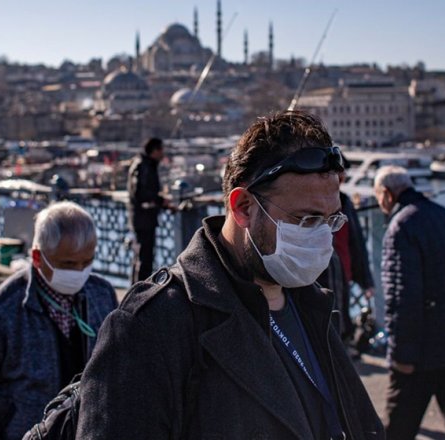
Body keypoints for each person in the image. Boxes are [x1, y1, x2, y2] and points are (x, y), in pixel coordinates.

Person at [77, 111, 384, 439]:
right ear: (243, 208)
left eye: (330, 220)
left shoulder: (312, 303)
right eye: (306, 220)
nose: (322, 237)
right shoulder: (151, 328)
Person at [0, 201, 118, 439]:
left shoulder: (101, 295)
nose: (79, 272)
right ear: (38, 257)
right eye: (68, 264)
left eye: (86, 263)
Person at [374, 166, 445, 440]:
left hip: (422, 351)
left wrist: (401, 354)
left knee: (398, 427)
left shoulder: (401, 226)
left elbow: (402, 296)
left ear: (387, 195)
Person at [331, 162, 376, 343]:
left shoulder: (344, 201)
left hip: (342, 273)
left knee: (340, 324)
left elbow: (355, 241)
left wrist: (366, 281)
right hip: (319, 275)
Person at [127, 137, 167, 283]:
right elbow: (140, 193)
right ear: (154, 150)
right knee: (145, 258)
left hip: (142, 217)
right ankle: (140, 295)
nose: (163, 154)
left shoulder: (143, 164)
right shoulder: (144, 166)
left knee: (140, 256)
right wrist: (160, 200)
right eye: (161, 150)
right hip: (143, 218)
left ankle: (135, 291)